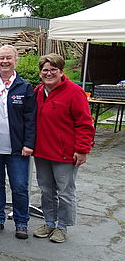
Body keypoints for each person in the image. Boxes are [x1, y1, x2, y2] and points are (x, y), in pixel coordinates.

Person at [32, 54, 94, 243]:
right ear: (40, 73)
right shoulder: (38, 91)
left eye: (53, 70)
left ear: (61, 72)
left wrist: (82, 149)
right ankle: (49, 222)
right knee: (46, 189)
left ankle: (63, 226)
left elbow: (85, 123)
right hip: (42, 151)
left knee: (65, 191)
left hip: (65, 153)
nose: (49, 73)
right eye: (45, 70)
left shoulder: (74, 92)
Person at [0, 45, 36, 239]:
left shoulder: (24, 87)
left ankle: (21, 222)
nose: (4, 61)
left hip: (17, 148)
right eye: (1, 58)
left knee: (19, 185)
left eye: (9, 58)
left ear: (15, 60)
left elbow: (31, 118)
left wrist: (29, 143)